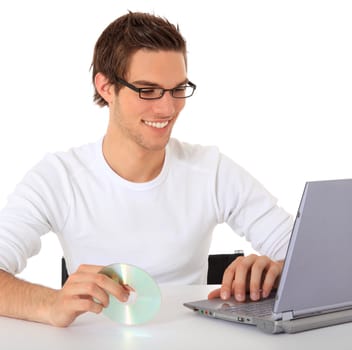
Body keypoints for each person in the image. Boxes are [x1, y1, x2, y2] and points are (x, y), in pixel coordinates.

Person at [0, 11, 293, 327]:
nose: (168, 108)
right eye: (148, 90)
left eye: (178, 88)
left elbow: (312, 254)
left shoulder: (210, 171)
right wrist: (50, 304)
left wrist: (278, 271)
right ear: (106, 87)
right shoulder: (59, 177)